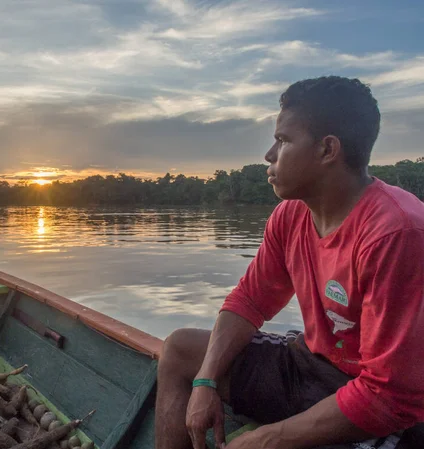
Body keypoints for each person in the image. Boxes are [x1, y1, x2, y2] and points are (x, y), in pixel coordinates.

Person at [155, 76, 424, 449]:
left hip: (385, 405)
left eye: (282, 140)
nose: (269, 154)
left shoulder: (396, 232)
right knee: (180, 349)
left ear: (328, 149)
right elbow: (250, 300)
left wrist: (268, 439)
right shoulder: (290, 215)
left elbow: (393, 396)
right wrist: (206, 380)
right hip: (311, 367)